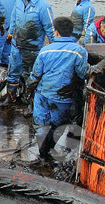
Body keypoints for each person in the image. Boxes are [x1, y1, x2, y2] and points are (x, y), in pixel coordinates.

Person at [29, 18, 89, 159]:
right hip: (63, 97)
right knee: (57, 126)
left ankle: (42, 154)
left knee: (41, 124)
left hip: (42, 94)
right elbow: (82, 74)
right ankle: (49, 151)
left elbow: (35, 75)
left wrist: (29, 89)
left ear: (56, 32)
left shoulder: (44, 51)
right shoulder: (80, 52)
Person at [6, 0, 54, 102]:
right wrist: (10, 33)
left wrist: (54, 44)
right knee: (13, 71)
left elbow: (49, 27)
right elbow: (13, 18)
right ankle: (10, 96)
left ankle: (29, 100)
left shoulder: (43, 7)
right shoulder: (19, 2)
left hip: (32, 48)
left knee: (31, 75)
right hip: (17, 45)